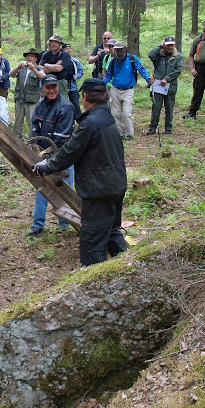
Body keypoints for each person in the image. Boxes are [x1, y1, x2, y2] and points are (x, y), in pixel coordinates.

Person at [32, 78, 128, 266]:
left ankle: (96, 280)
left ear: (84, 97)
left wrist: (46, 167)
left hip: (100, 190)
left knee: (92, 238)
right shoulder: (106, 116)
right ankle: (127, 267)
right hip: (115, 184)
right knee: (111, 230)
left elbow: (69, 153)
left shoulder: (90, 123)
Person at [27, 75, 76, 237]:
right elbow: (34, 125)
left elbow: (61, 138)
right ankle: (37, 225)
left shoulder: (66, 107)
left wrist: (49, 156)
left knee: (64, 190)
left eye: (54, 86)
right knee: (42, 189)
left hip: (63, 156)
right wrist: (36, 147)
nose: (52, 90)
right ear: (42, 88)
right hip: (44, 155)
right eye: (48, 87)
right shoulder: (41, 106)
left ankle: (64, 224)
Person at [103, 41, 153, 140]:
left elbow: (142, 69)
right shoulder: (113, 61)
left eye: (121, 50)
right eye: (117, 51)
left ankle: (129, 133)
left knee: (126, 112)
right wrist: (101, 84)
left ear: (125, 50)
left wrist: (148, 78)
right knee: (116, 113)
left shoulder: (132, 59)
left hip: (128, 90)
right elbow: (108, 75)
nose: (119, 53)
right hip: (115, 89)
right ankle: (120, 133)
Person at [146, 36, 184, 135]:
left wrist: (166, 79)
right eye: (167, 45)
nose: (170, 47)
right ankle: (153, 127)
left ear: (174, 45)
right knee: (156, 106)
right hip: (158, 86)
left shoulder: (179, 56)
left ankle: (168, 128)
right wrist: (160, 46)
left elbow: (178, 70)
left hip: (171, 86)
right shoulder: (159, 54)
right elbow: (150, 55)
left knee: (169, 107)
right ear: (164, 45)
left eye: (171, 45)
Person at [9, 48, 46, 136]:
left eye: (32, 56)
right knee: (18, 121)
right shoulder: (21, 68)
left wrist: (34, 70)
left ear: (35, 59)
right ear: (26, 58)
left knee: (32, 122)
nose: (30, 58)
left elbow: (44, 78)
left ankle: (32, 141)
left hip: (32, 100)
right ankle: (16, 140)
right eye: (28, 56)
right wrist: (18, 67)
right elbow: (11, 74)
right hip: (20, 99)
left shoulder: (38, 69)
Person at [40, 33, 74, 98]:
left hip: (60, 81)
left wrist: (46, 65)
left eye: (56, 42)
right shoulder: (46, 54)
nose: (54, 44)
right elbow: (41, 68)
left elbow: (59, 69)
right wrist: (54, 66)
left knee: (62, 101)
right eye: (52, 42)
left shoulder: (64, 54)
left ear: (60, 44)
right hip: (48, 81)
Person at [64, 42, 85, 120]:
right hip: (63, 88)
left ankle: (81, 122)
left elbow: (81, 71)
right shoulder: (60, 61)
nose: (68, 50)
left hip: (73, 87)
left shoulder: (75, 61)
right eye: (66, 48)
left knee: (76, 106)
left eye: (69, 48)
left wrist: (75, 77)